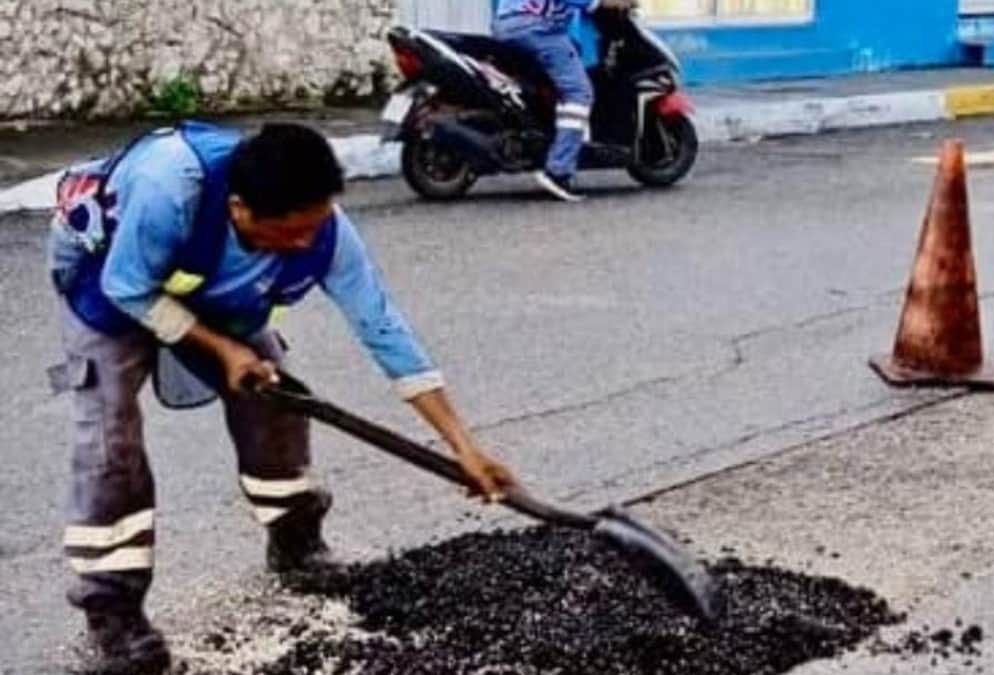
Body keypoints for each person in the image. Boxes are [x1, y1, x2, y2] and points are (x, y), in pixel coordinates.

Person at [46, 121, 518, 674]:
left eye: (312, 228)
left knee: (277, 398)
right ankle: (114, 614)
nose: (304, 244)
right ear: (240, 209)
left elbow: (383, 328)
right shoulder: (169, 188)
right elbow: (127, 286)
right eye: (289, 233)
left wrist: (463, 445)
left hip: (212, 290)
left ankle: (297, 545)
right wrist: (221, 349)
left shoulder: (324, 230)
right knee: (110, 438)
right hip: (105, 282)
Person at [493, 0, 639, 202]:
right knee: (579, 92)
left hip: (507, 26)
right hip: (537, 27)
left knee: (559, 72)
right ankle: (558, 171)